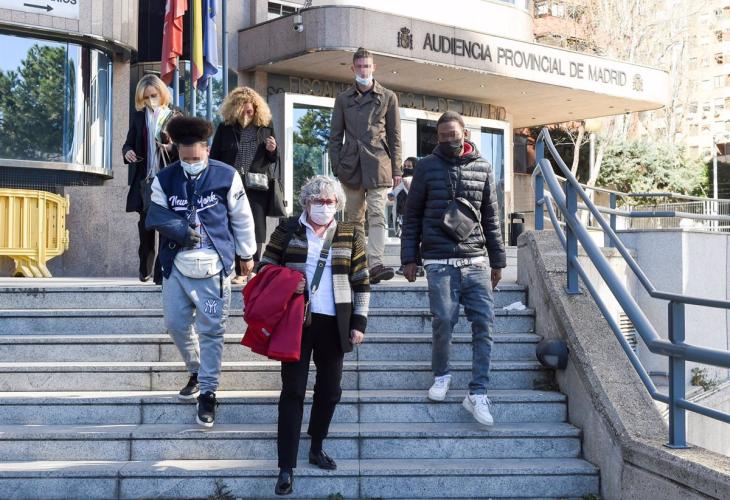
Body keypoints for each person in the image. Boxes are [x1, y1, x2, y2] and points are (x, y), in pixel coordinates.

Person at [257, 176, 370, 496]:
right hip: (296, 322)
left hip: (334, 323)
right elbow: (264, 268)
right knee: (292, 391)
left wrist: (359, 322)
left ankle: (316, 445)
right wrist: (287, 281)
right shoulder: (287, 229)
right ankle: (285, 467)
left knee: (330, 390)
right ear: (306, 202)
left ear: (338, 204)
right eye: (318, 200)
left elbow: (361, 280)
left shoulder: (350, 233)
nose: (324, 206)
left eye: (330, 201)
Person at [146, 116, 256, 428]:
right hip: (176, 264)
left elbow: (242, 216)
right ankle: (195, 369)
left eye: (196, 158)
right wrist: (179, 230)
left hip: (214, 265)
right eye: (185, 159)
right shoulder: (164, 179)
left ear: (207, 150)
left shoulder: (226, 175)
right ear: (177, 153)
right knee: (175, 323)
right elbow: (155, 213)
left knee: (211, 330)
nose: (191, 163)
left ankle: (208, 391)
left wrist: (247, 253)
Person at [400, 111, 506, 426]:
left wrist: (498, 260)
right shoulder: (425, 167)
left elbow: (491, 216)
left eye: (454, 135)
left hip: (475, 259)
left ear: (465, 134)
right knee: (444, 320)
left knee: (484, 323)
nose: (449, 140)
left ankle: (478, 393)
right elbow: (412, 215)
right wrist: (409, 258)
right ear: (437, 137)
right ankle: (442, 375)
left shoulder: (483, 166)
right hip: (438, 259)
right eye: (443, 136)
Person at [329, 47, 402, 284]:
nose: (363, 70)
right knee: (353, 218)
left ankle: (376, 263)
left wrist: (397, 169)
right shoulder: (343, 99)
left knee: (377, 213)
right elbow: (334, 136)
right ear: (353, 68)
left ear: (374, 67)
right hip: (350, 165)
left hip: (379, 163)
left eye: (367, 66)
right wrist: (337, 167)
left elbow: (395, 136)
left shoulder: (388, 97)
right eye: (359, 66)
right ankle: (360, 263)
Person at [210, 86, 278, 285]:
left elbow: (274, 159)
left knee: (256, 228)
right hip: (231, 184)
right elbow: (215, 157)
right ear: (235, 110)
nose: (247, 115)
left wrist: (272, 150)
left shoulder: (265, 127)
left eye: (250, 111)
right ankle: (239, 271)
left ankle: (253, 270)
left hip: (257, 186)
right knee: (234, 225)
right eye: (243, 111)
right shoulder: (225, 128)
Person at [123, 74, 179, 283]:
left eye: (153, 95)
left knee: (165, 227)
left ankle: (160, 272)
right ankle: (144, 268)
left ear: (162, 93)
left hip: (168, 181)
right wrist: (127, 152)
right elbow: (128, 143)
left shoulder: (174, 116)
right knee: (146, 226)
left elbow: (184, 146)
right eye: (146, 97)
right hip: (146, 180)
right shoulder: (139, 117)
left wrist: (170, 147)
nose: (150, 100)